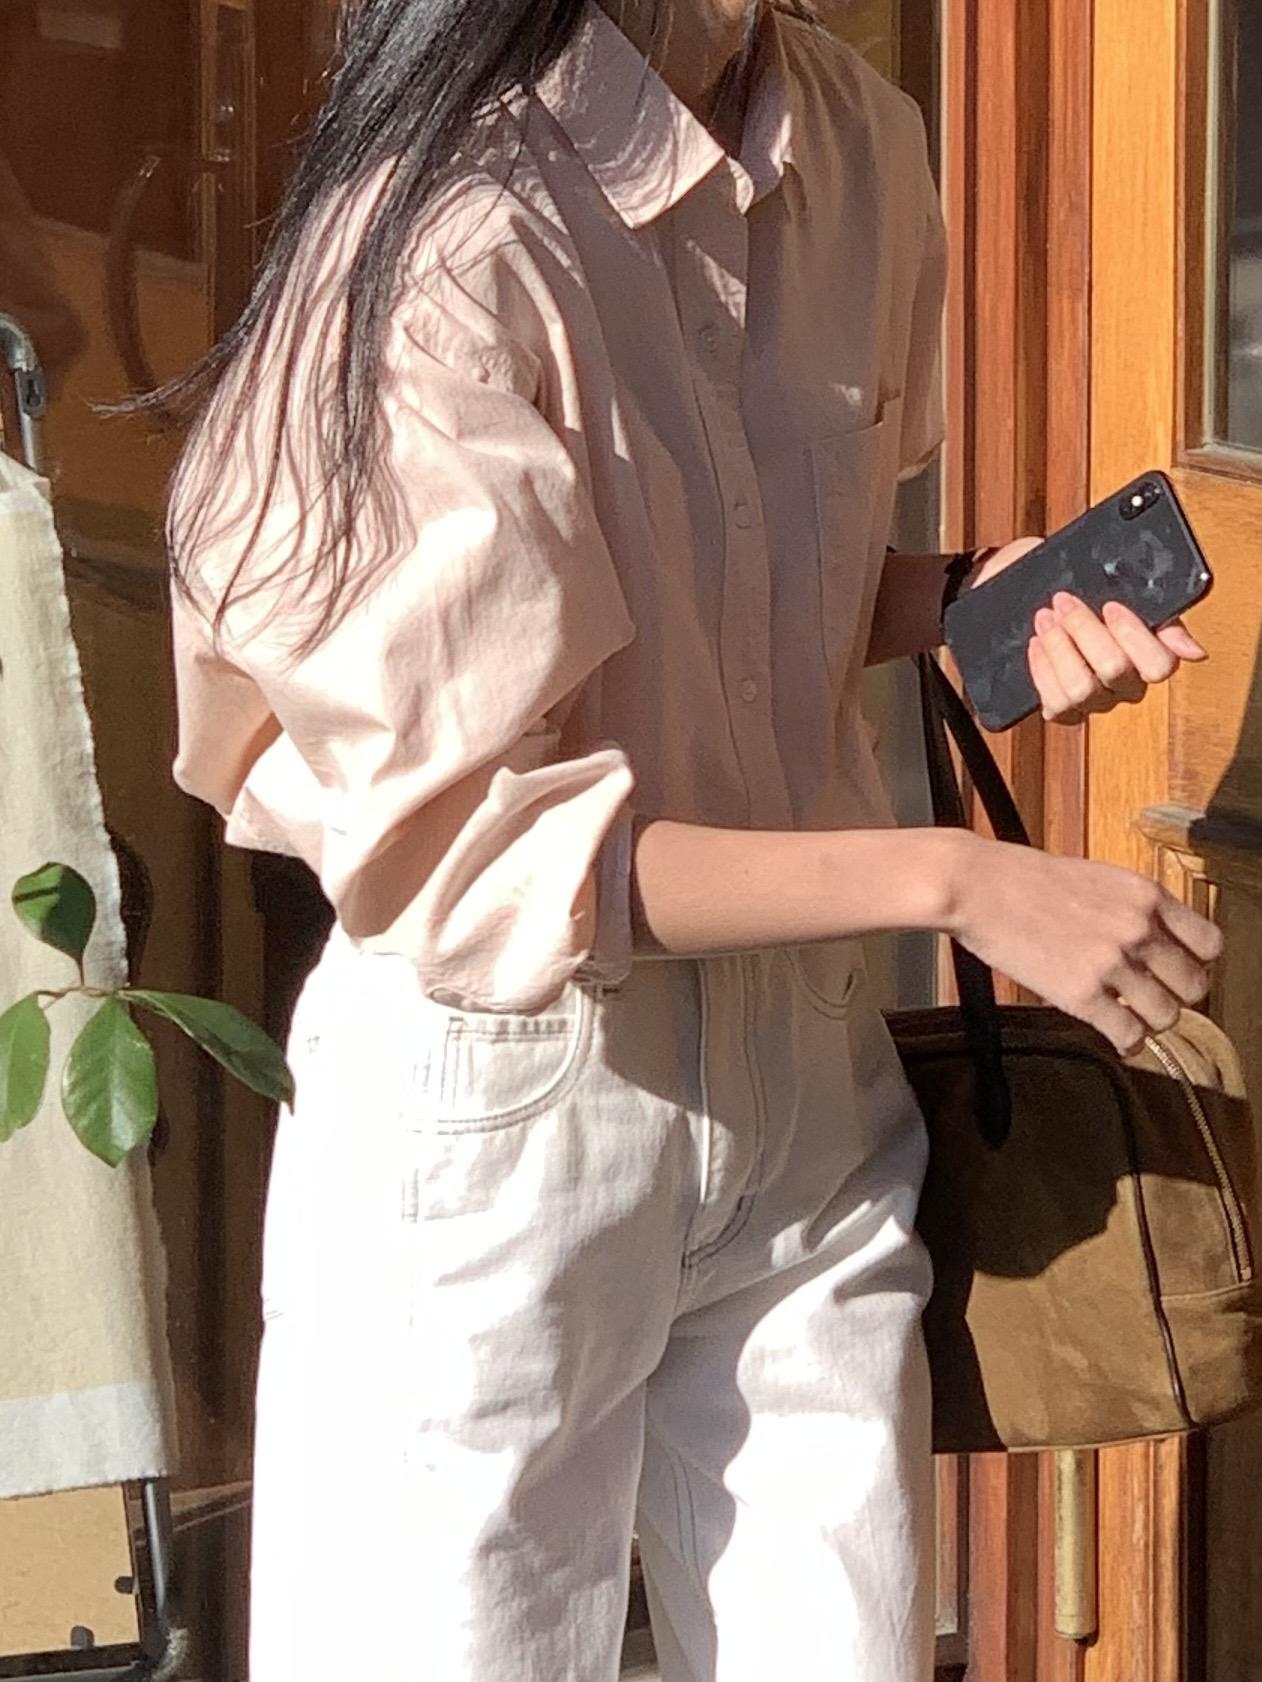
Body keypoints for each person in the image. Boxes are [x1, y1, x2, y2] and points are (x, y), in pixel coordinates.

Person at [163, 2, 1222, 1678]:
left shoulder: (858, 145)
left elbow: (734, 600)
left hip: (806, 1102)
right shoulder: (440, 234)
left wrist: (966, 601)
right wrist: (954, 880)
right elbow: (481, 848)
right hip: (503, 1107)